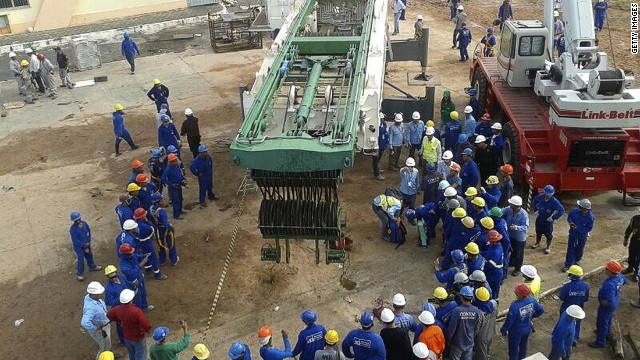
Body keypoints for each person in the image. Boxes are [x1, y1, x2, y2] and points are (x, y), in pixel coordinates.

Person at [588, 260, 627, 348]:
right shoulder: (619, 276)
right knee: (607, 320)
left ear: (611, 272)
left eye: (607, 269)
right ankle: (606, 333)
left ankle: (600, 342)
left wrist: (602, 302)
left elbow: (609, 299)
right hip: (615, 302)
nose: (605, 269)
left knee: (602, 322)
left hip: (607, 306)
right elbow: (625, 281)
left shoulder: (609, 284)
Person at [500, 284, 544, 360]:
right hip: (527, 328)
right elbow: (541, 310)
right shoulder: (532, 300)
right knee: (523, 346)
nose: (515, 292)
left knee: (513, 349)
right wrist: (531, 317)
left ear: (520, 294)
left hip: (516, 332)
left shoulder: (514, 306)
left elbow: (509, 321)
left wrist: (503, 330)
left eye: (517, 292)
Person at [107, 289, 152, 360]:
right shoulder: (136, 311)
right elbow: (145, 324)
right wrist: (147, 330)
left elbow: (109, 315)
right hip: (138, 337)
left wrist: (118, 320)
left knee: (132, 353)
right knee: (141, 355)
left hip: (127, 337)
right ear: (131, 300)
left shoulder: (117, 309)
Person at [446, 286, 480, 360]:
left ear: (461, 297)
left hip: (457, 344)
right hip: (469, 343)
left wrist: (447, 341)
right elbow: (477, 327)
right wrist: (471, 338)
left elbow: (451, 329)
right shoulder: (476, 310)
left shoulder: (457, 311)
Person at [118, 243, 154, 312]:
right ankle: (138, 311)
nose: (132, 254)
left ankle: (144, 307)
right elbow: (132, 273)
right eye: (130, 253)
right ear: (125, 255)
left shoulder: (131, 255)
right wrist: (141, 264)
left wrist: (145, 255)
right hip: (133, 283)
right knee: (137, 298)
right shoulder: (123, 265)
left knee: (143, 293)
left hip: (139, 278)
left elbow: (137, 256)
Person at [133, 208, 167, 280]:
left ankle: (148, 269)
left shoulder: (134, 224)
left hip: (139, 243)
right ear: (142, 217)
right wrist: (148, 222)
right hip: (147, 243)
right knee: (153, 258)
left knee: (144, 256)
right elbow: (152, 230)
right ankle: (157, 274)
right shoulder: (145, 226)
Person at [559, 265, 589, 346]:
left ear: (572, 275)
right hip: (579, 309)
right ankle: (575, 338)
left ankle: (564, 338)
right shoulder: (585, 286)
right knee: (577, 324)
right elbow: (585, 299)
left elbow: (561, 298)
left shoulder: (566, 287)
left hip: (566, 310)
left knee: (564, 324)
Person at [531, 185, 565, 254]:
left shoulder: (554, 202)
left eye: (549, 195)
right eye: (546, 194)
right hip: (540, 219)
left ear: (552, 194)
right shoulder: (540, 197)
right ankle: (537, 242)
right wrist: (535, 210)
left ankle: (548, 246)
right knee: (538, 231)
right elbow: (534, 201)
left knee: (548, 234)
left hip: (547, 221)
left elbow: (561, 210)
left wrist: (553, 217)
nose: (548, 196)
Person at [104, 265, 132, 346]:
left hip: (128, 303)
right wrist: (121, 298)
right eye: (111, 277)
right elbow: (109, 302)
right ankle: (123, 341)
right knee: (120, 325)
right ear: (108, 277)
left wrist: (132, 284)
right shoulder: (108, 289)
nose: (114, 278)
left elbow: (127, 283)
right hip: (119, 308)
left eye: (114, 275)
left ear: (116, 273)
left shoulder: (121, 277)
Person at [82, 281, 111, 359]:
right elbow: (84, 322)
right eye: (100, 293)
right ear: (94, 295)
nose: (102, 294)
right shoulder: (90, 308)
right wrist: (95, 328)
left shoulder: (89, 297)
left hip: (104, 324)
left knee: (107, 343)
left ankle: (109, 355)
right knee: (104, 346)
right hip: (100, 330)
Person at [563, 199, 595, 271]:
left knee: (580, 247)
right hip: (573, 233)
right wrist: (571, 222)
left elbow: (589, 228)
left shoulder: (590, 218)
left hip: (582, 235)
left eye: (580, 207)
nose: (579, 208)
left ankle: (577, 260)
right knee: (570, 248)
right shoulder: (574, 211)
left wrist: (578, 228)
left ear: (585, 209)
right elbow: (570, 218)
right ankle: (568, 264)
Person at [69, 211, 101, 281]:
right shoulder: (73, 230)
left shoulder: (85, 223)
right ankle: (79, 274)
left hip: (87, 244)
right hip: (79, 247)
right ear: (73, 221)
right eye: (76, 220)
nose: (78, 221)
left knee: (89, 255)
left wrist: (88, 241)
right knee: (81, 259)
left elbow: (88, 231)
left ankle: (92, 266)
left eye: (78, 219)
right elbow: (75, 241)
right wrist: (84, 245)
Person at [149, 192, 179, 266]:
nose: (163, 201)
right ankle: (174, 260)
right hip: (165, 230)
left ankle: (162, 260)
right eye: (161, 200)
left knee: (160, 244)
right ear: (157, 202)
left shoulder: (150, 208)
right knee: (171, 244)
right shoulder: (161, 212)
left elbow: (150, 219)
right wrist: (171, 228)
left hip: (157, 229)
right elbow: (166, 224)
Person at [503, 195, 528, 276]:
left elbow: (525, 227)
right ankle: (512, 262)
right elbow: (501, 211)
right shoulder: (509, 209)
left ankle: (518, 268)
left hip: (520, 238)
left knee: (518, 254)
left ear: (516, 206)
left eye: (511, 204)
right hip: (511, 235)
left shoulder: (524, 214)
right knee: (512, 250)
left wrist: (516, 227)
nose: (510, 205)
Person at [473, 287, 496, 360]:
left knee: (481, 355)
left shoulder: (479, 313)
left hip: (481, 337)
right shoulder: (493, 305)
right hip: (491, 331)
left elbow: (476, 329)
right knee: (488, 349)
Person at [163, 153, 187, 219]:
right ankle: (176, 215)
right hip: (173, 188)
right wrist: (171, 184)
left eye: (175, 160)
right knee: (175, 200)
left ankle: (180, 210)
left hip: (179, 185)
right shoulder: (168, 169)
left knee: (180, 198)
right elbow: (163, 179)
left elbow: (179, 174)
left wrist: (183, 179)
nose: (175, 162)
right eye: (173, 161)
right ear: (170, 161)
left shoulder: (176, 166)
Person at [482, 230, 504, 299]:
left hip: (494, 274)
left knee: (493, 292)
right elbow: (487, 253)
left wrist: (482, 262)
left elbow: (491, 265)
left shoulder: (496, 252)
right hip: (492, 273)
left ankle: (494, 304)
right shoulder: (494, 247)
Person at [373, 112, 389, 180]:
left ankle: (377, 169)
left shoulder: (384, 125)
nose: (381, 120)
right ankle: (377, 173)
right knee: (375, 159)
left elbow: (386, 134)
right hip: (376, 145)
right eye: (380, 119)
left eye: (382, 119)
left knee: (379, 158)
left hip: (382, 145)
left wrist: (386, 143)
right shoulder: (375, 126)